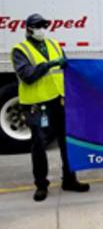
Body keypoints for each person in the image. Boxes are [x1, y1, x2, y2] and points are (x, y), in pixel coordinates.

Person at [11, 14, 90, 201]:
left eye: (44, 25)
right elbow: (27, 75)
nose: (42, 29)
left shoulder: (54, 44)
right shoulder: (19, 50)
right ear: (29, 28)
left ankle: (70, 179)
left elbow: (67, 68)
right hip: (36, 104)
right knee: (39, 144)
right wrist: (50, 64)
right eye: (38, 26)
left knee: (65, 141)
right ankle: (41, 185)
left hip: (58, 101)